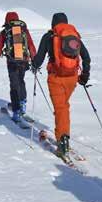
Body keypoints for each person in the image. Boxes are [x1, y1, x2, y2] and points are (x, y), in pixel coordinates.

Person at [32, 12, 90, 158]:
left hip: (56, 77)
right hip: (72, 78)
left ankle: (63, 141)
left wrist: (33, 66)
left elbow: (39, 58)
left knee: (61, 108)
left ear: (53, 23)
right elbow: (86, 57)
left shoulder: (49, 36)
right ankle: (63, 134)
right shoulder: (74, 36)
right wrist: (84, 75)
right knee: (63, 106)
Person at [0, 11, 37, 123]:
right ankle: (22, 105)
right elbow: (31, 46)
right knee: (21, 81)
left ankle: (16, 111)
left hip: (12, 62)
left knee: (14, 85)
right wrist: (34, 60)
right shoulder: (24, 30)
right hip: (24, 62)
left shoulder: (5, 32)